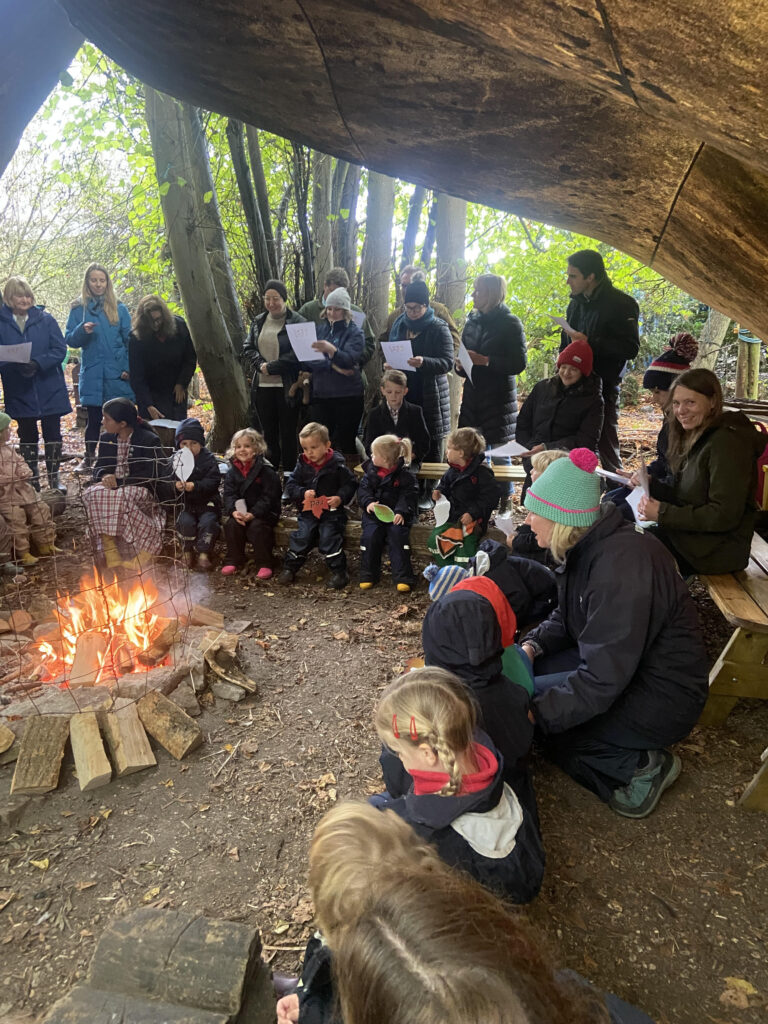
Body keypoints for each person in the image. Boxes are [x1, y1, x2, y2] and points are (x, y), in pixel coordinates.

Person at [520, 447, 709, 818]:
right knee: (532, 683)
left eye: (532, 513)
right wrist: (531, 646)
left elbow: (603, 678)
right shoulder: (588, 544)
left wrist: (533, 715)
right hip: (627, 666)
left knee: (551, 728)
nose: (527, 522)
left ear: (560, 519)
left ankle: (641, 768)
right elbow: (569, 615)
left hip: (662, 693)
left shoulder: (619, 566)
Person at [372, 667, 544, 903]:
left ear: (427, 754)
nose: (398, 757)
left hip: (475, 892)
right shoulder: (481, 752)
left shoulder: (435, 837)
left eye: (398, 752)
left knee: (373, 813)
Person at [637, 368, 764, 574]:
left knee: (634, 552)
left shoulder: (727, 444)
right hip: (695, 539)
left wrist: (663, 513)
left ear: (713, 401)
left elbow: (723, 514)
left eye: (690, 402)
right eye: (676, 403)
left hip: (717, 551)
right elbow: (691, 495)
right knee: (627, 538)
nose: (681, 411)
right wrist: (653, 486)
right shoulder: (699, 435)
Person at [560, 250, 640, 473]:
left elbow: (630, 348)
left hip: (604, 386)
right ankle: (570, 498)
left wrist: (591, 342)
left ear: (591, 277)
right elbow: (566, 342)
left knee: (606, 447)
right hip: (573, 386)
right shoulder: (575, 304)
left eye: (573, 276)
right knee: (570, 445)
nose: (568, 281)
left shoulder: (622, 304)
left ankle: (618, 497)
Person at [605, 332, 698, 519]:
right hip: (661, 488)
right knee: (610, 499)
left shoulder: (691, 428)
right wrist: (642, 474)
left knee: (616, 512)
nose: (654, 399)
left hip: (673, 501)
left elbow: (681, 482)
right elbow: (664, 462)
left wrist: (651, 483)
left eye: (658, 392)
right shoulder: (669, 420)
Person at [457, 273, 527, 510]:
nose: (474, 295)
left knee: (499, 451)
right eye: (474, 290)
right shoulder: (471, 322)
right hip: (473, 396)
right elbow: (466, 358)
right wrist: (461, 365)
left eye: (479, 291)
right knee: (471, 449)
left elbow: (518, 364)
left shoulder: (510, 323)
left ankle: (505, 499)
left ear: (493, 294)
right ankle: (476, 499)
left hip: (498, 399)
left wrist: (486, 360)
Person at [385, 279, 453, 508]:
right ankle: (406, 486)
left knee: (432, 440)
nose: (412, 312)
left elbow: (447, 362)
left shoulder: (438, 327)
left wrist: (424, 362)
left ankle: (429, 489)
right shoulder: (400, 325)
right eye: (408, 307)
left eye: (417, 308)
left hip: (430, 393)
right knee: (406, 437)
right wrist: (390, 365)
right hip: (405, 391)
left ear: (426, 306)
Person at [0, 276, 71, 493]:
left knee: (53, 433)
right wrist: (13, 364)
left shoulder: (45, 319)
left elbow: (60, 349)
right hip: (19, 389)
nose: (24, 299)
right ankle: (32, 480)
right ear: (9, 298)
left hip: (49, 386)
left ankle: (54, 478)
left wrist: (38, 363)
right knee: (27, 435)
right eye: (19, 295)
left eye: (27, 295)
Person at [82, 397, 172, 569]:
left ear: (122, 423)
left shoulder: (148, 439)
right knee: (91, 494)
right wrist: (104, 475)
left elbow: (152, 474)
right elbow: (99, 466)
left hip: (141, 487)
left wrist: (121, 481)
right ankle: (110, 549)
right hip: (113, 487)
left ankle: (148, 549)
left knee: (121, 498)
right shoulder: (107, 438)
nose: (103, 421)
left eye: (107, 419)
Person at [65, 263, 134, 476]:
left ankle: (121, 460)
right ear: (87, 282)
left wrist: (127, 368)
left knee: (120, 420)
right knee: (94, 419)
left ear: (107, 282)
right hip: (93, 372)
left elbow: (129, 341)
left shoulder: (119, 308)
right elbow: (70, 340)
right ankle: (89, 458)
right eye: (94, 280)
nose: (98, 284)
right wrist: (82, 330)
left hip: (117, 373)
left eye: (101, 280)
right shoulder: (79, 309)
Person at [516, 337, 604, 495]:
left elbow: (587, 441)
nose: (566, 373)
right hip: (535, 462)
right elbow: (523, 423)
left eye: (573, 369)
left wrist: (547, 449)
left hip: (567, 466)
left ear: (583, 372)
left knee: (556, 513)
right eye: (563, 367)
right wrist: (528, 449)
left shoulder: (593, 400)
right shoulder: (542, 388)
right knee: (534, 509)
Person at [281, 421, 357, 589]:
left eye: (314, 448)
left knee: (329, 536)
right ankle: (290, 568)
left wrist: (339, 497)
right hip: (309, 511)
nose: (309, 453)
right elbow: (291, 485)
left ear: (327, 445)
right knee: (303, 535)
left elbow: (350, 484)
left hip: (332, 512)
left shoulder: (337, 466)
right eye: (305, 449)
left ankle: (339, 572)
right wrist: (303, 493)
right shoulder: (302, 465)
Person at [242, 280, 306, 477]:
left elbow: (300, 352)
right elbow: (248, 347)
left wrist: (273, 367)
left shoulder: (298, 321)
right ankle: (270, 473)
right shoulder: (259, 321)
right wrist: (261, 365)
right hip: (262, 386)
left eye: (275, 298)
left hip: (287, 385)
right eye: (267, 298)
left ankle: (289, 475)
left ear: (283, 299)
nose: (271, 303)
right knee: (268, 432)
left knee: (288, 432)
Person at [302, 287, 365, 459]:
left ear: (345, 311)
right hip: (322, 395)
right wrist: (334, 366)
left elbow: (350, 360)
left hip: (348, 396)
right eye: (329, 308)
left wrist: (332, 351)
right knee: (320, 441)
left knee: (346, 441)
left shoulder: (355, 332)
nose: (332, 313)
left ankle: (351, 480)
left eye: (337, 309)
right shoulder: (320, 330)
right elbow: (310, 360)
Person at [358, 434, 418, 593]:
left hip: (396, 517)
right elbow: (363, 491)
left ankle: (403, 577)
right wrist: (368, 503)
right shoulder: (370, 472)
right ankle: (368, 574)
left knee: (397, 536)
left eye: (374, 454)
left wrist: (401, 512)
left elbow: (408, 495)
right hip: (374, 515)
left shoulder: (405, 476)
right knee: (370, 536)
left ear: (385, 458)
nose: (371, 456)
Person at [221, 427, 281, 578]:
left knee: (257, 527)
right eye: (238, 446)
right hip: (241, 511)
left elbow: (269, 497)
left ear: (257, 448)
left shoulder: (266, 470)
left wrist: (254, 513)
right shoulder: (232, 471)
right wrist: (233, 511)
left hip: (264, 513)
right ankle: (234, 559)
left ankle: (265, 562)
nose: (242, 450)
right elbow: (229, 494)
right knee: (232, 525)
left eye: (247, 446)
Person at [0, 410, 57, 566]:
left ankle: (46, 543)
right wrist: (10, 479)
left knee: (41, 509)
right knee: (16, 518)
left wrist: (25, 471)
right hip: (5, 496)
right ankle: (23, 552)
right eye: (6, 429)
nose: (10, 431)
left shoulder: (9, 450)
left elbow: (20, 462)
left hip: (23, 490)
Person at [129, 295, 197, 421]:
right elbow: (137, 376)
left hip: (175, 392)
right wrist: (148, 404)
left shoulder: (179, 326)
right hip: (150, 394)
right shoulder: (136, 338)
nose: (155, 324)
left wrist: (182, 383)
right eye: (151, 321)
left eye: (158, 320)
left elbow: (190, 359)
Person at [298, 266, 375, 369]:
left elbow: (369, 343)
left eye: (342, 292)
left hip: (348, 375)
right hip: (317, 375)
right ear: (325, 286)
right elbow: (298, 341)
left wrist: (353, 360)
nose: (337, 296)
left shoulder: (355, 312)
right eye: (333, 291)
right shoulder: (308, 310)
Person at [172, 418, 222, 572]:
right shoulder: (175, 460)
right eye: (184, 444)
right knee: (184, 522)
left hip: (207, 503)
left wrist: (196, 486)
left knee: (208, 523)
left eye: (193, 443)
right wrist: (175, 486)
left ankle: (204, 554)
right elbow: (165, 481)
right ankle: (187, 552)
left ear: (201, 443)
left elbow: (214, 481)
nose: (189, 448)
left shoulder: (208, 459)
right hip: (185, 504)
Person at [432, 427, 499, 534]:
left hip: (473, 521)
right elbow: (445, 484)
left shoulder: (482, 473)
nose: (446, 451)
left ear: (460, 453)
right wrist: (439, 491)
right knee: (436, 540)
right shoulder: (453, 469)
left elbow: (489, 498)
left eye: (449, 448)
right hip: (452, 518)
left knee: (466, 546)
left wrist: (473, 514)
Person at [379, 265, 460, 352]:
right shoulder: (394, 317)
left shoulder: (438, 310)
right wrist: (391, 361)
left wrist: (437, 357)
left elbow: (454, 339)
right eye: (403, 286)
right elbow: (383, 343)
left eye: (410, 285)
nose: (406, 290)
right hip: (401, 365)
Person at [362, 369, 430, 469]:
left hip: (408, 461)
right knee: (376, 478)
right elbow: (368, 443)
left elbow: (424, 442)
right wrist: (383, 457)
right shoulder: (374, 414)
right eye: (389, 392)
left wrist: (411, 455)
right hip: (382, 461)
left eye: (398, 392)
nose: (393, 396)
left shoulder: (415, 411)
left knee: (406, 477)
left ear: (405, 391)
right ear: (383, 390)